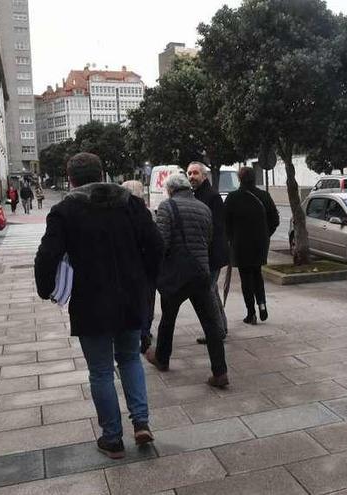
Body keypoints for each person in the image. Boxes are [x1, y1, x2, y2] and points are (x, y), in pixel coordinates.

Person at [35, 152, 163, 459]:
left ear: (71, 179)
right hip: (131, 298)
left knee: (101, 371)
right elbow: (156, 245)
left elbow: (47, 254)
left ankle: (112, 438)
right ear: (103, 172)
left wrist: (45, 288)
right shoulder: (131, 204)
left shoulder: (65, 211)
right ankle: (141, 422)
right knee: (131, 358)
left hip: (91, 301)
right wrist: (145, 279)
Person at [145, 174, 229, 388]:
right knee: (211, 324)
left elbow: (161, 242)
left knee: (168, 318)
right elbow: (208, 239)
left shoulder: (167, 207)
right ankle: (220, 372)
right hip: (201, 271)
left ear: (171, 190)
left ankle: (162, 359)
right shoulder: (203, 208)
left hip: (176, 275)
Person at [224, 167, 279, 324]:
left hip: (240, 245)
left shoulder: (233, 198)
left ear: (239, 179)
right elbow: (275, 220)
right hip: (260, 244)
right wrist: (265, 235)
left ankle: (251, 313)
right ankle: (262, 305)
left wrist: (230, 239)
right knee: (257, 274)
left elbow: (225, 222)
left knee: (245, 278)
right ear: (254, 178)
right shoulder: (264, 196)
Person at [187, 162, 229, 344]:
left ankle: (216, 331)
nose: (191, 176)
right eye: (189, 173)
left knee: (208, 294)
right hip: (208, 254)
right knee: (213, 292)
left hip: (212, 255)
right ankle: (222, 327)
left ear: (204, 176)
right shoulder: (198, 195)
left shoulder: (211, 196)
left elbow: (216, 228)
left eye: (195, 173)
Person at [122, 180, 156, 354]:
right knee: (147, 301)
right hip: (145, 267)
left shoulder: (119, 213)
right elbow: (155, 243)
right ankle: (145, 332)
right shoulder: (145, 213)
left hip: (127, 268)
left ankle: (137, 332)